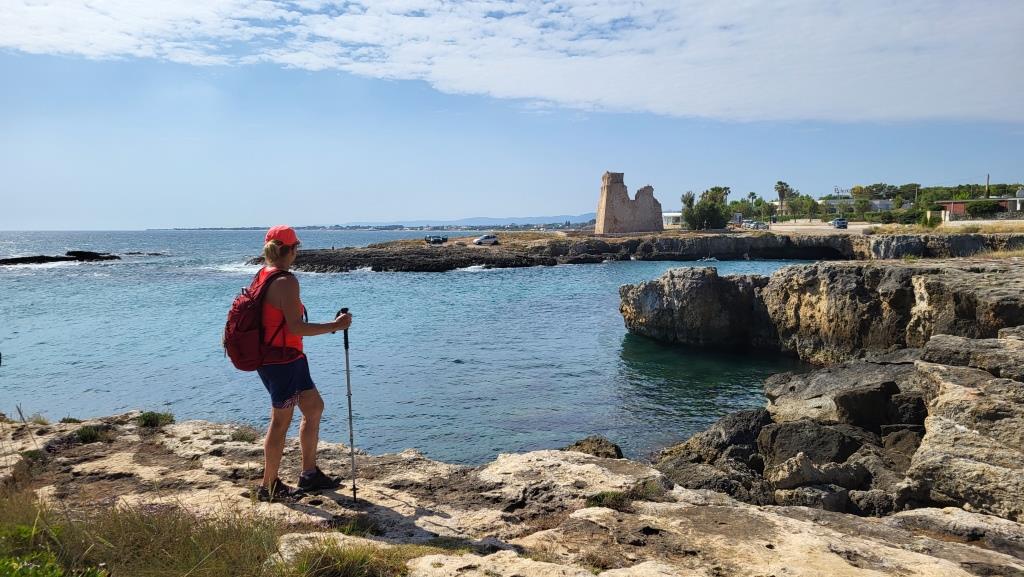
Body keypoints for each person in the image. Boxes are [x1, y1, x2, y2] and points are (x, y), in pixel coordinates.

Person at [255, 225, 352, 501]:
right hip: (282, 361)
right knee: (280, 422)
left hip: (284, 358)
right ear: (291, 250)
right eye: (296, 246)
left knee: (313, 408)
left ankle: (309, 474)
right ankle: (268, 486)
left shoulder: (263, 274)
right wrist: (335, 326)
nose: (297, 251)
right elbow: (296, 327)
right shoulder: (285, 282)